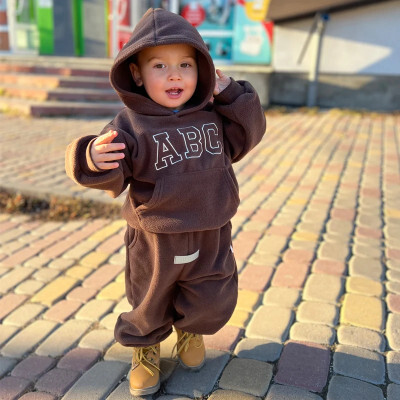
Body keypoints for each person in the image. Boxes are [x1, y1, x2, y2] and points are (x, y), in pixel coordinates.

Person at [65, 7, 266, 396]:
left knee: (212, 295)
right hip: (156, 236)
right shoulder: (130, 123)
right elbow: (111, 170)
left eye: (185, 65)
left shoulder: (214, 116)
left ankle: (191, 330)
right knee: (150, 299)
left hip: (211, 229)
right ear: (137, 73)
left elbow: (250, 131)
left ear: (201, 69)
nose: (175, 75)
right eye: (159, 66)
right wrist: (91, 157)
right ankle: (146, 347)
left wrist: (231, 94)